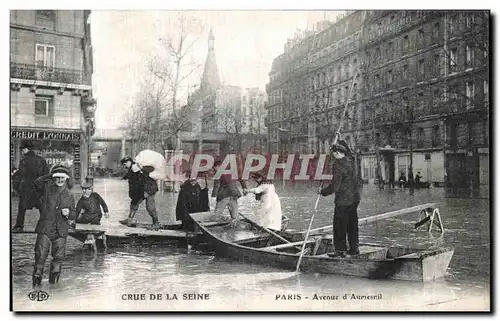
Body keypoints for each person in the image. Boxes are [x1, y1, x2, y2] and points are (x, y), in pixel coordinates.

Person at [32, 166, 76, 286]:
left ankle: (54, 289)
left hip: (61, 230)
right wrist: (52, 174)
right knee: (40, 256)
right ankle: (36, 286)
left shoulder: (69, 194)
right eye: (57, 178)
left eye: (62, 177)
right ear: (53, 178)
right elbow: (36, 183)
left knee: (58, 259)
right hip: (46, 227)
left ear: (66, 179)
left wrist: (69, 213)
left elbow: (74, 213)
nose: (60, 180)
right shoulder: (46, 189)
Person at [319, 141, 361, 258]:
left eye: (333, 153)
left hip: (343, 201)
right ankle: (354, 249)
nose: (332, 156)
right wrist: (340, 140)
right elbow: (348, 149)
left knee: (339, 225)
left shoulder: (337, 165)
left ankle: (340, 251)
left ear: (337, 153)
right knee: (352, 224)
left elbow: (335, 186)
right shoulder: (351, 161)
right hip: (355, 198)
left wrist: (323, 192)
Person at [12, 140, 49, 232]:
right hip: (39, 189)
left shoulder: (24, 160)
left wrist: (17, 186)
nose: (21, 152)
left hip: (27, 189)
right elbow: (46, 175)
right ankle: (47, 226)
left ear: (25, 149)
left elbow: (21, 175)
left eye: (22, 150)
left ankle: (19, 226)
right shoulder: (41, 160)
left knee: (22, 208)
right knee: (42, 208)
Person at [120, 156, 160, 229]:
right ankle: (129, 220)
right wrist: (124, 177)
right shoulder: (131, 168)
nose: (124, 166)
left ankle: (156, 223)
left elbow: (150, 169)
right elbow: (130, 176)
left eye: (124, 164)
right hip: (142, 189)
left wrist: (141, 168)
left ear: (129, 162)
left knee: (150, 207)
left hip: (149, 189)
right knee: (134, 203)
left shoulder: (137, 166)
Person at [212, 160, 247, 227]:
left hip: (224, 196)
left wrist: (213, 196)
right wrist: (244, 188)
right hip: (234, 195)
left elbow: (216, 185)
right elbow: (242, 179)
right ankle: (235, 229)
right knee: (235, 216)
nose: (214, 170)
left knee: (216, 215)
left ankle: (225, 219)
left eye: (214, 168)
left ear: (217, 166)